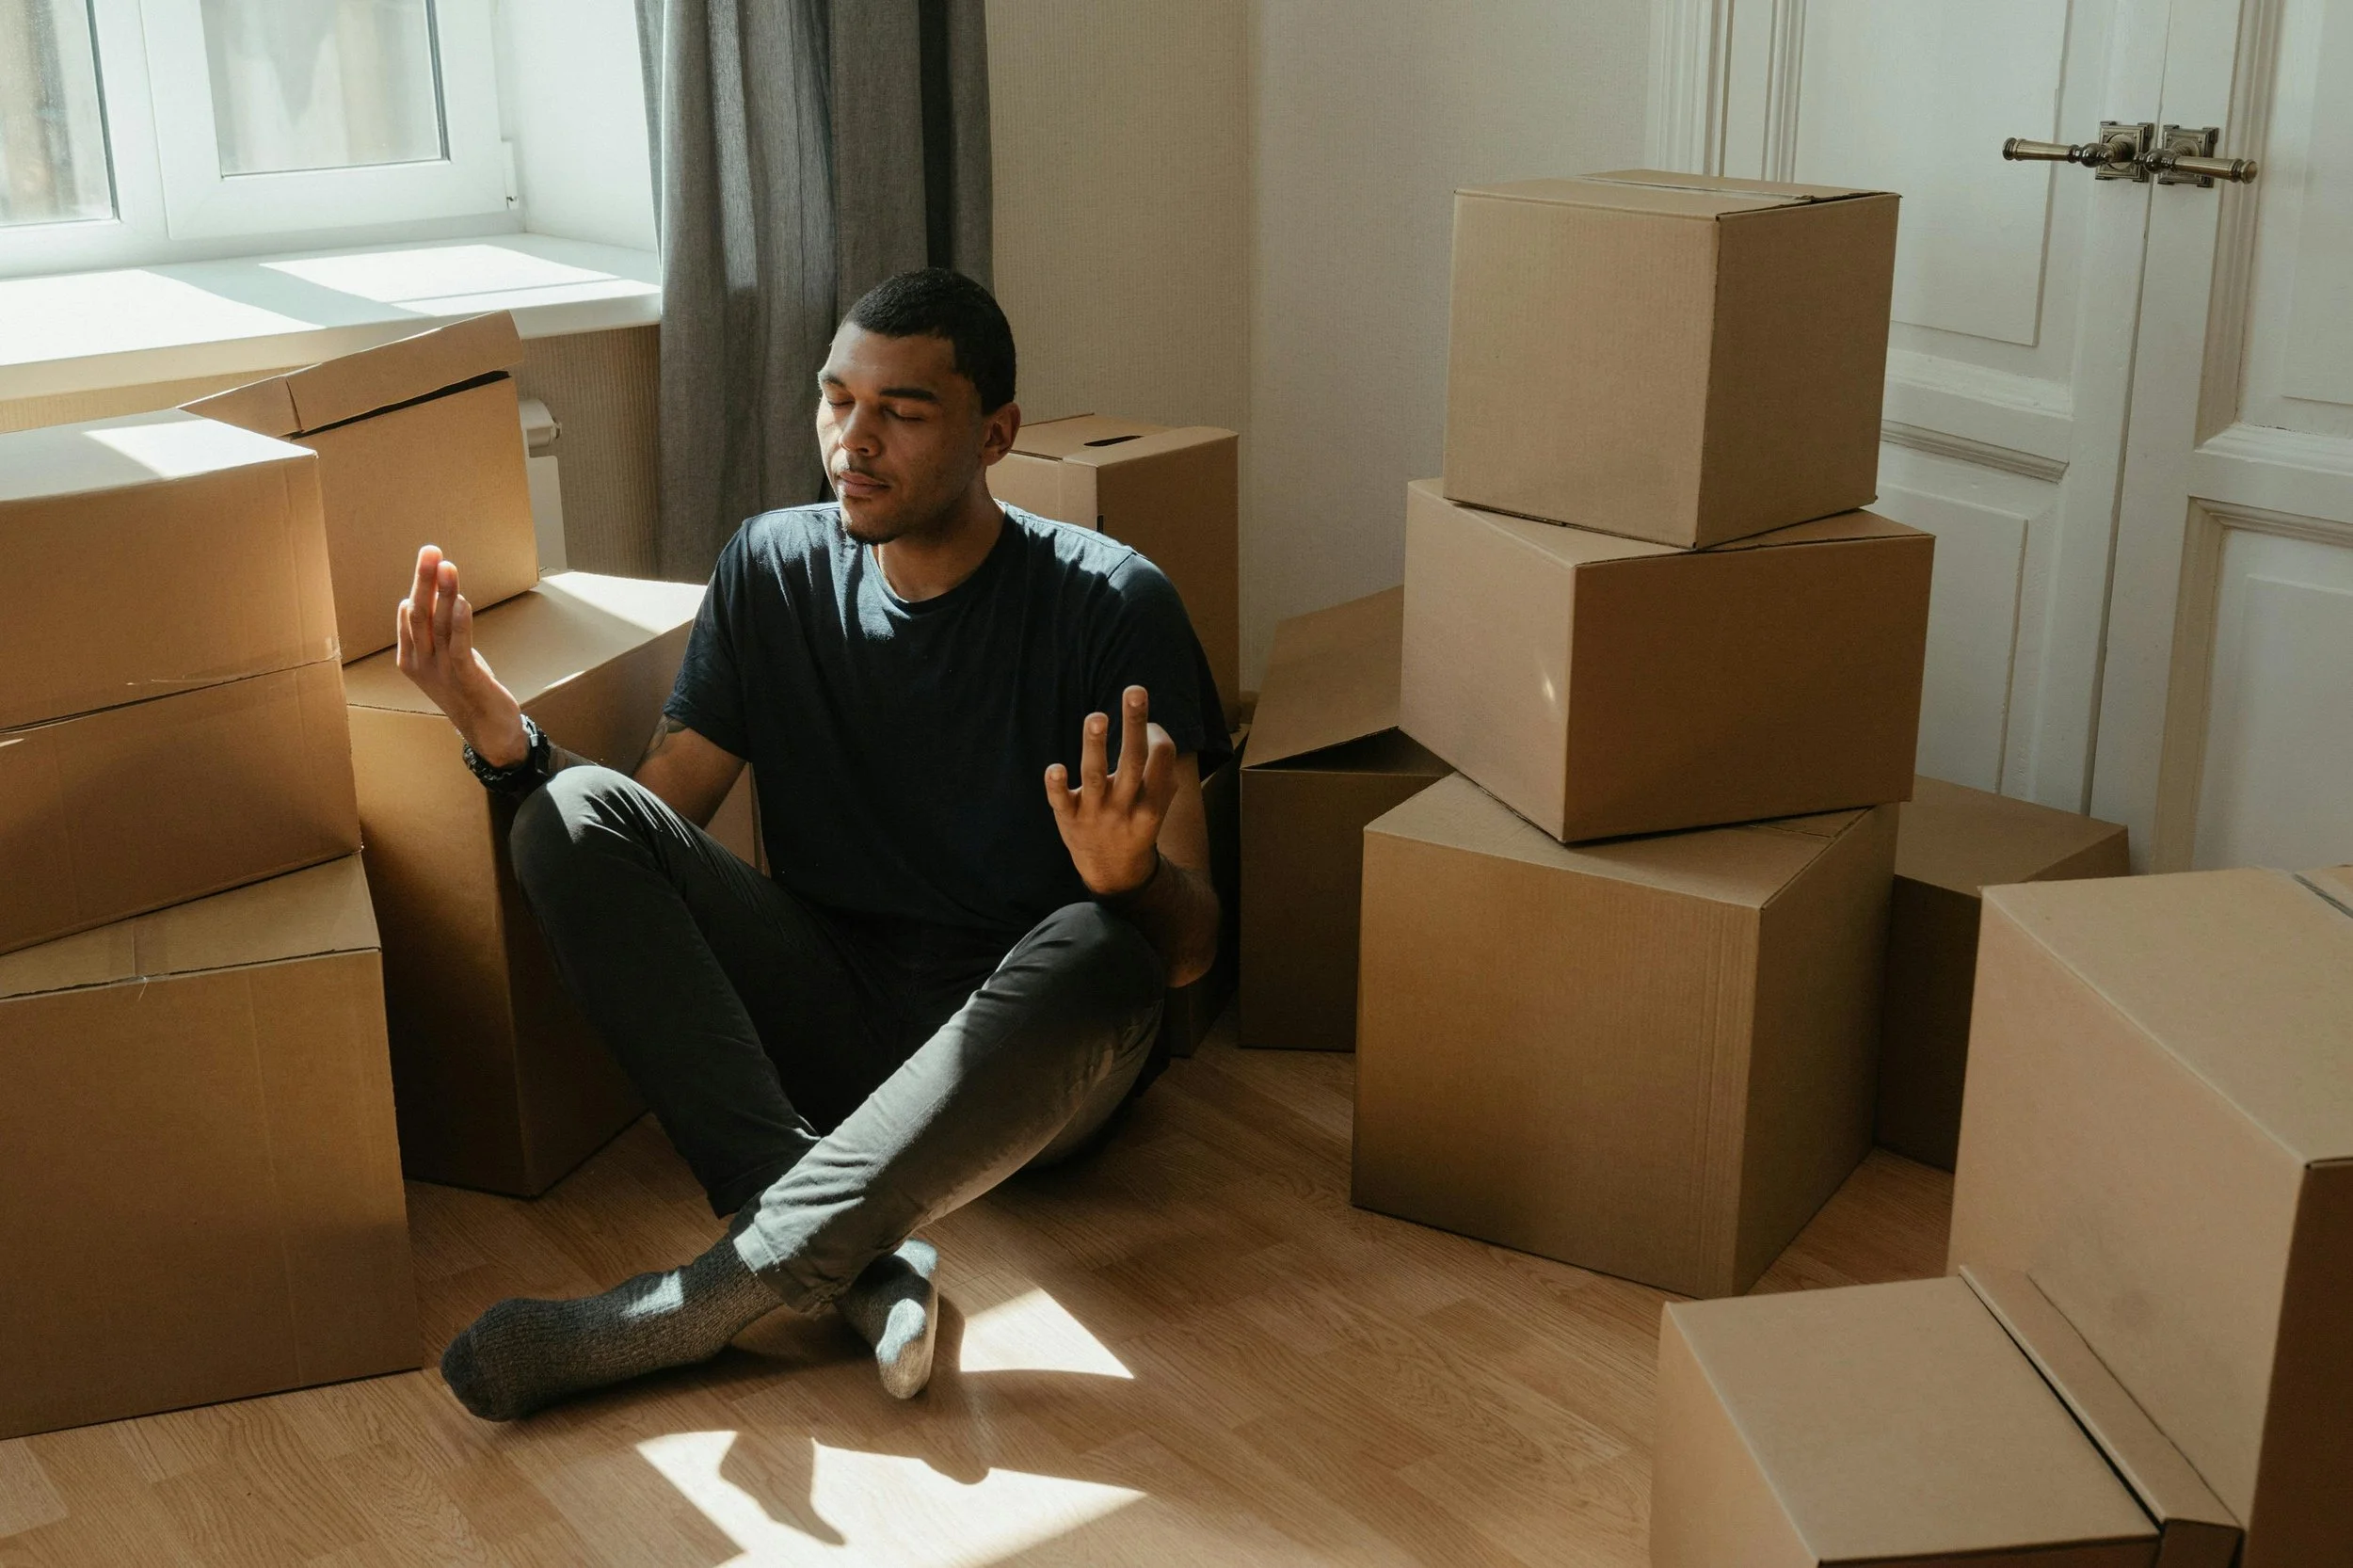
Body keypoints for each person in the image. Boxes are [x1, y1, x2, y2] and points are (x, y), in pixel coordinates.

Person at [398, 269, 1227, 1420]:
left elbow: (1190, 953)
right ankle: (855, 1260)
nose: (853, 440)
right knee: (569, 813)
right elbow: (654, 812)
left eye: (902, 410)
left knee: (1104, 946)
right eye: (837, 400)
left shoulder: (1111, 604)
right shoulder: (771, 566)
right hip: (838, 1015)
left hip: (1025, 1061)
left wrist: (1130, 878)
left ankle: (698, 1300)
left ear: (995, 435)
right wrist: (506, 743)